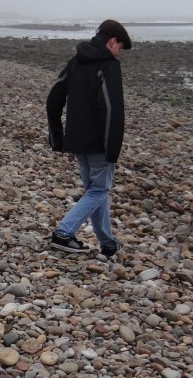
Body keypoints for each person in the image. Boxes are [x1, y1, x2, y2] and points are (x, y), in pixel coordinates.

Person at [45, 19, 132, 258]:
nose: (118, 52)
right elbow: (111, 110)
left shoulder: (75, 62)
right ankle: (63, 233)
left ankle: (107, 243)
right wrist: (112, 148)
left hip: (76, 141)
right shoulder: (108, 66)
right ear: (112, 41)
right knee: (99, 191)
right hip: (98, 143)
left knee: (95, 191)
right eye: (120, 47)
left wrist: (57, 137)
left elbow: (53, 100)